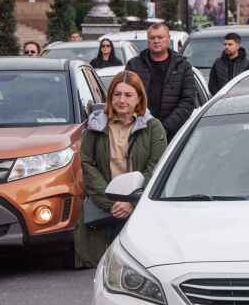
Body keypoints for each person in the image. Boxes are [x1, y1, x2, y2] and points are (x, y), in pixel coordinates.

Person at [74, 70, 167, 268]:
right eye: (117, 94)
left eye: (128, 95)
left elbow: (156, 168)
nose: (121, 100)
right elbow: (87, 164)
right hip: (104, 209)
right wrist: (112, 202)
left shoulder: (153, 128)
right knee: (102, 269)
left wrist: (131, 202)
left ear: (139, 99)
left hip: (139, 210)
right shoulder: (95, 126)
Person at [125, 22, 201, 140]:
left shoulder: (182, 66)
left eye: (160, 37)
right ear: (148, 40)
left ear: (168, 39)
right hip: (139, 131)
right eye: (152, 38)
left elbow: (188, 101)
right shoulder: (134, 65)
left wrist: (165, 127)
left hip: (173, 134)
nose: (156, 41)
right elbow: (125, 96)